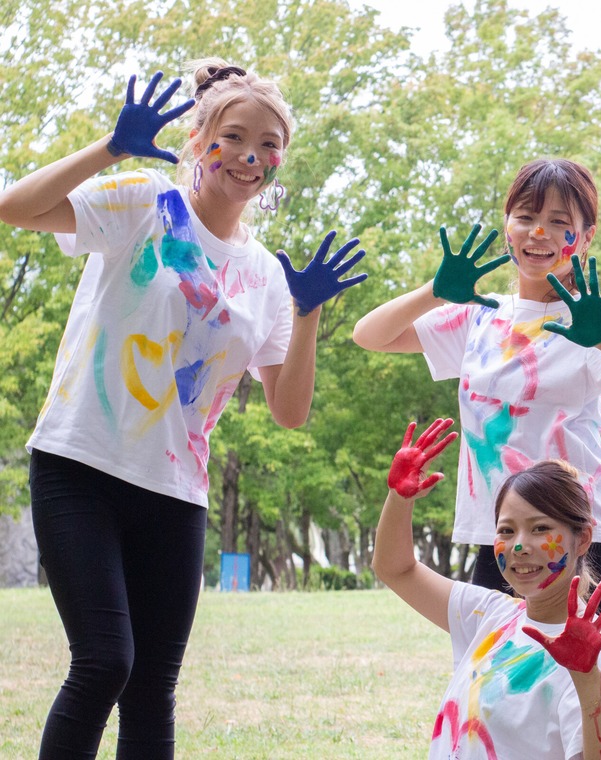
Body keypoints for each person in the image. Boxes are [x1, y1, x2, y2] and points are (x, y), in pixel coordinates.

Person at [0, 61, 366, 759]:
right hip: (82, 463)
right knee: (105, 661)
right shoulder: (143, 200)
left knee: (151, 695)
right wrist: (109, 150)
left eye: (267, 143)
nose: (250, 156)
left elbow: (289, 410)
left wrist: (308, 313)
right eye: (233, 136)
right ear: (198, 140)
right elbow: (13, 208)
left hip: (175, 491)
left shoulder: (262, 274)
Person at [353, 158, 601, 615]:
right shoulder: (481, 315)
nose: (539, 233)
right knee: (497, 680)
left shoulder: (592, 320)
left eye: (558, 222)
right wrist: (436, 290)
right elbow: (369, 335)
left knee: (573, 682)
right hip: (500, 536)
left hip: (583, 538)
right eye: (525, 217)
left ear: (586, 237)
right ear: (507, 225)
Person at [373, 418, 601, 760]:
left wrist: (587, 679)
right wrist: (399, 499)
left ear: (583, 538)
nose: (519, 546)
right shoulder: (491, 616)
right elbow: (395, 568)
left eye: (540, 528)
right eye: (506, 531)